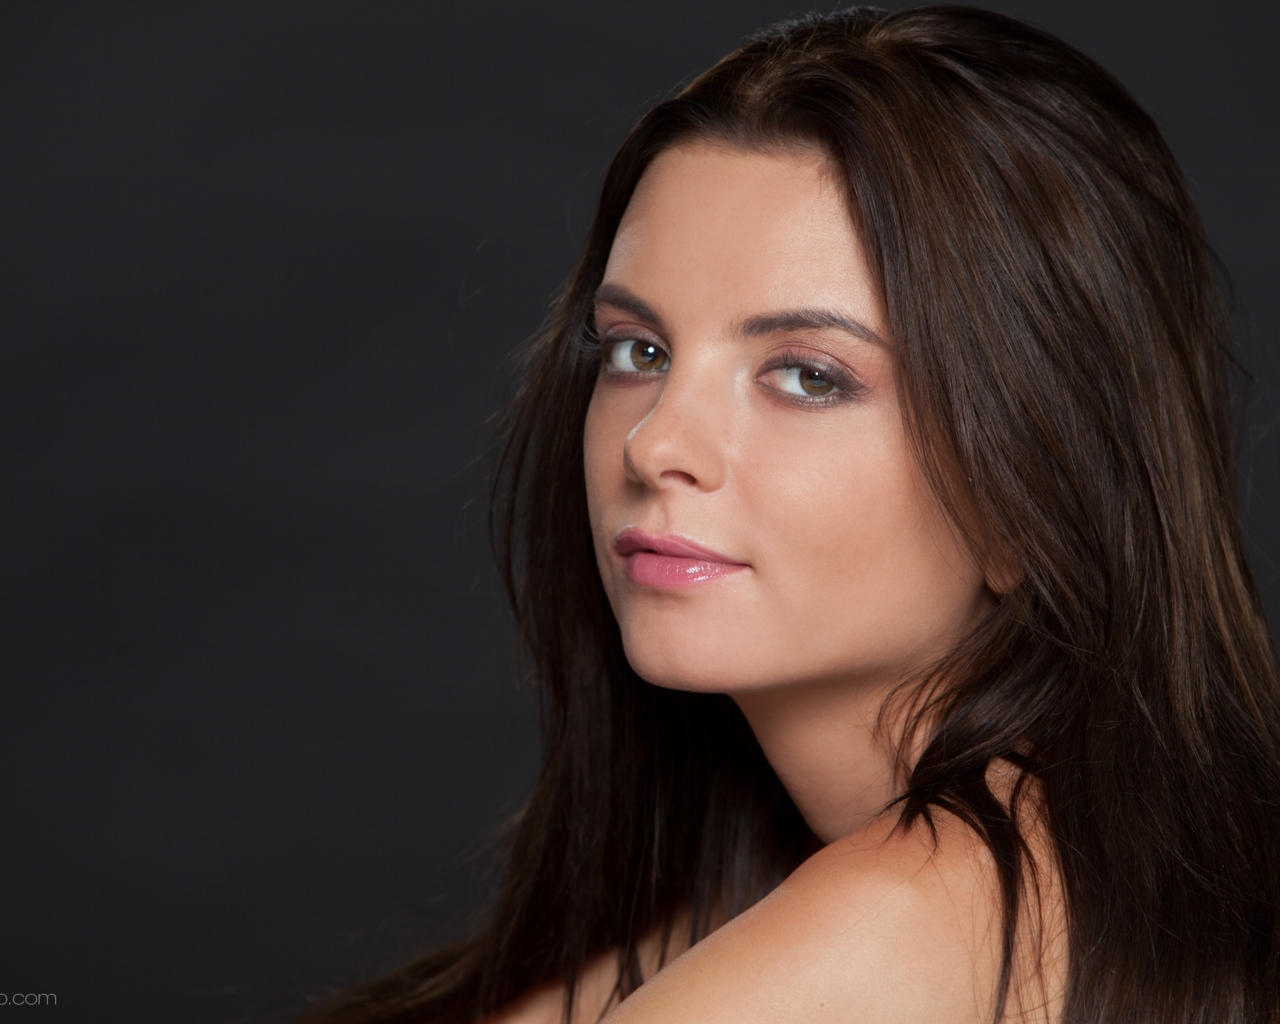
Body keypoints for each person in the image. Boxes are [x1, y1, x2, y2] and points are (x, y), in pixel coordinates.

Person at [292, 6, 1280, 1023]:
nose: (654, 444)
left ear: (1036, 479)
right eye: (638, 351)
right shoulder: (946, 889)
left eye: (808, 375)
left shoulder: (889, 934)